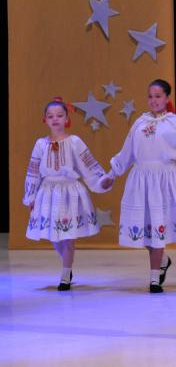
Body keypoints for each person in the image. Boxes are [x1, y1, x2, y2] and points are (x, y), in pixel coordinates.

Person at [110, 79, 176, 293]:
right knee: (144, 228)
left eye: (158, 96)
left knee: (158, 226)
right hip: (141, 180)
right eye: (150, 96)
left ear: (167, 98)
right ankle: (162, 260)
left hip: (165, 180)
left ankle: (154, 278)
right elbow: (127, 152)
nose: (153, 100)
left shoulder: (175, 122)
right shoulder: (139, 122)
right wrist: (112, 173)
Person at [23, 97, 113, 290]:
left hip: (70, 193)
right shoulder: (40, 144)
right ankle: (67, 264)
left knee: (68, 236)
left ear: (66, 119)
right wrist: (31, 196)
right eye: (50, 116)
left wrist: (101, 180)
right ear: (45, 120)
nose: (55, 119)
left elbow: (88, 164)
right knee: (55, 236)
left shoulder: (74, 142)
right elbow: (33, 171)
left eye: (59, 115)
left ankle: (65, 274)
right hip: (48, 193)